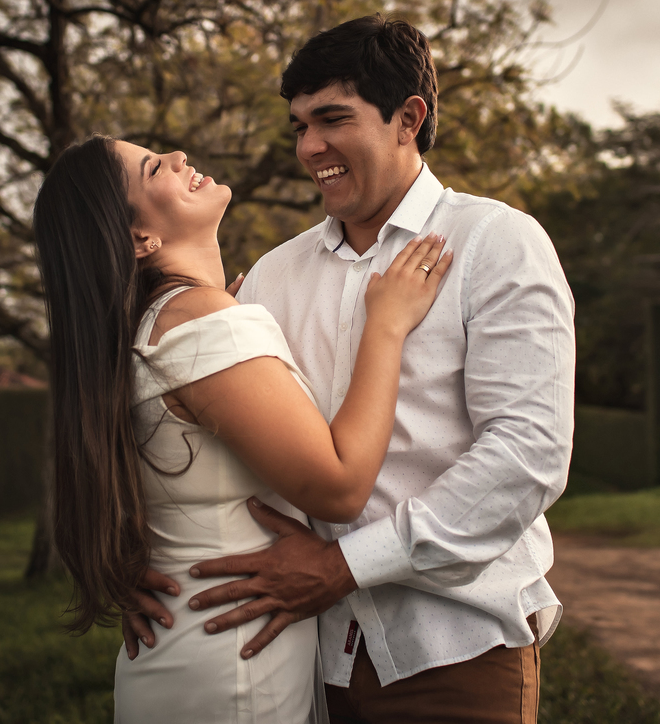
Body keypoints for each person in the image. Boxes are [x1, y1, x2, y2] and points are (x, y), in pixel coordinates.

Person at [126, 15, 577, 723]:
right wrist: (140, 552)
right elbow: (195, 422)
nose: (310, 148)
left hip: (451, 649)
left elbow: (528, 457)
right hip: (299, 652)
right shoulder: (273, 274)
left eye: (332, 119)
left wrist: (343, 568)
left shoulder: (498, 242)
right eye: (300, 125)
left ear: (408, 118)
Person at [33, 133, 453, 724]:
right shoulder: (198, 324)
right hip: (233, 663)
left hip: (195, 644)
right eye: (156, 168)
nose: (181, 158)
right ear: (140, 239)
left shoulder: (156, 327)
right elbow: (338, 486)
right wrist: (385, 326)